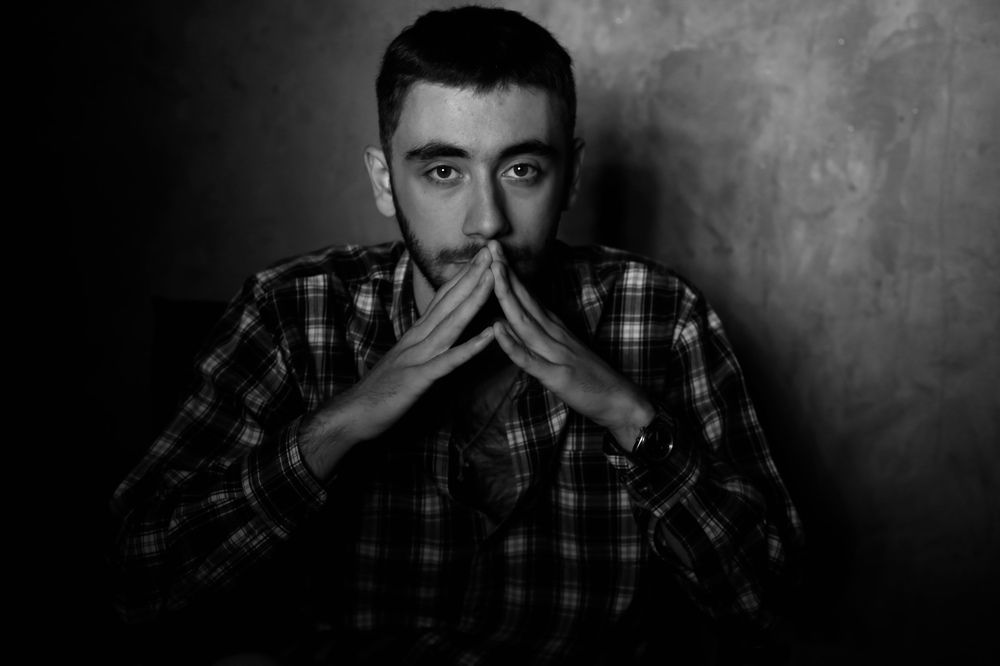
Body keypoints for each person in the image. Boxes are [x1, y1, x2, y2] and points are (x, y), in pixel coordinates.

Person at [110, 6, 802, 665]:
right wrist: (342, 423)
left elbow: (774, 608)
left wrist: (628, 415)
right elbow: (132, 580)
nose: (487, 221)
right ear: (385, 182)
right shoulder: (291, 312)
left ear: (570, 178)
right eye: (443, 171)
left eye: (521, 170)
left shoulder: (661, 313)